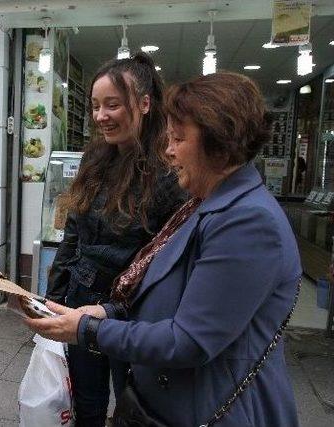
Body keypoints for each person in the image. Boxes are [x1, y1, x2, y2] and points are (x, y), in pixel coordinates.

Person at [26, 72, 301, 426]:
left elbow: (189, 339)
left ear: (217, 142)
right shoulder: (206, 203)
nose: (169, 151)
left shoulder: (248, 222)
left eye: (178, 138)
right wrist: (107, 313)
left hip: (209, 407)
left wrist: (88, 329)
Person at [43, 53, 185, 426]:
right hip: (80, 302)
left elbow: (165, 260)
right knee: (86, 402)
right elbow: (72, 234)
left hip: (132, 315)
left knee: (132, 405)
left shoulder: (169, 174)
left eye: (112, 105)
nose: (101, 116)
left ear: (144, 103)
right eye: (94, 106)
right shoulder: (96, 158)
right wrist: (51, 301)